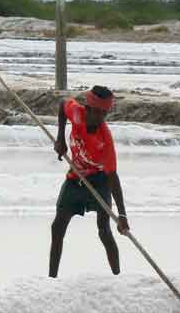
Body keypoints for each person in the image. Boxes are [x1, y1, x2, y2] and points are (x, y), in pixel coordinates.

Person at [49, 85, 130, 278]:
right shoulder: (76, 112)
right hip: (76, 177)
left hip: (99, 181)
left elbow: (112, 177)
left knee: (104, 231)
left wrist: (122, 215)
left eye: (105, 113)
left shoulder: (105, 140)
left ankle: (117, 278)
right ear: (88, 107)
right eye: (98, 112)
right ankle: (51, 280)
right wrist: (60, 138)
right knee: (57, 227)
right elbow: (62, 105)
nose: (101, 118)